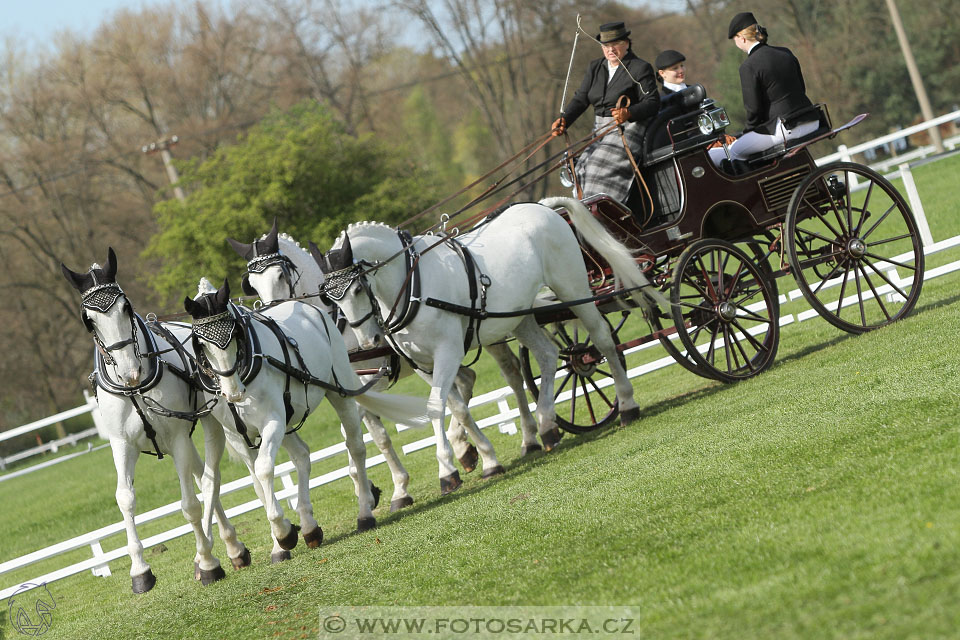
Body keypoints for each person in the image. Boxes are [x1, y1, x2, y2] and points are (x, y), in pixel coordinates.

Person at [551, 21, 659, 204]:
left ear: (626, 43)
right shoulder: (595, 67)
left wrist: (629, 112)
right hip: (599, 128)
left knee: (595, 169)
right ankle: (584, 213)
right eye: (606, 46)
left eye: (615, 44)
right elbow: (581, 99)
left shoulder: (640, 68)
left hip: (628, 128)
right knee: (580, 169)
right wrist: (564, 120)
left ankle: (606, 214)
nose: (610, 50)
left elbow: (653, 103)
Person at [708, 11, 820, 169]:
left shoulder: (748, 66)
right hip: (812, 119)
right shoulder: (785, 52)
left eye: (734, 39)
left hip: (786, 128)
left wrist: (748, 131)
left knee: (736, 150)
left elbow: (753, 109)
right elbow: (801, 88)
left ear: (742, 38)